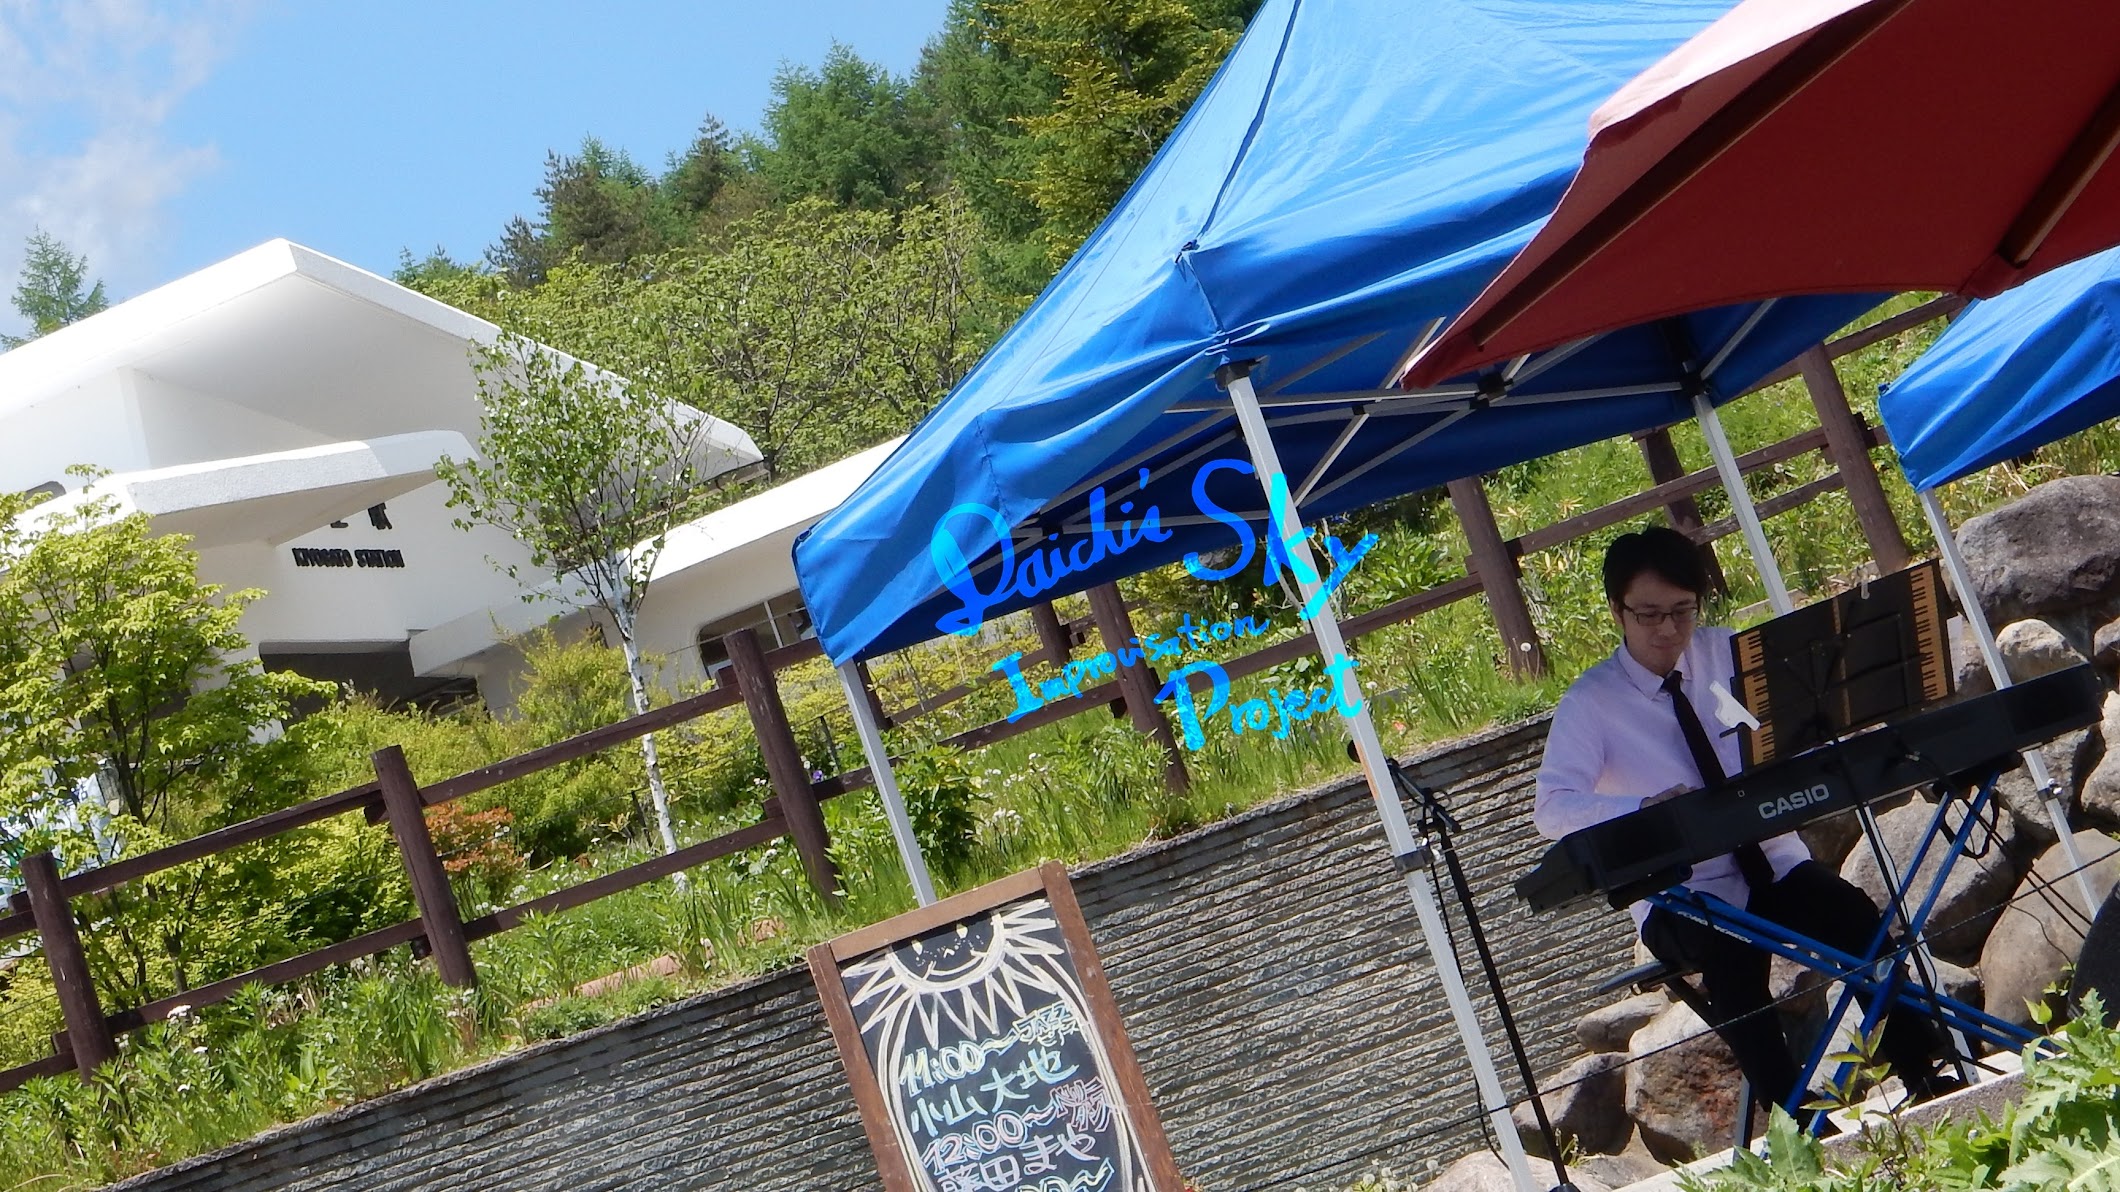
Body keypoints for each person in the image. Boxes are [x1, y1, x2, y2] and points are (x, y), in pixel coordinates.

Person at [1534, 526, 1960, 1123]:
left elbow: (1786, 727)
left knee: (1853, 916)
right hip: (1681, 892)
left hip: (1771, 860)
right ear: (1616, 612)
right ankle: (1795, 1118)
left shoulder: (1730, 654)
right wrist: (1644, 807)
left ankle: (1925, 1072)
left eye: (1682, 611)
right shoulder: (1592, 702)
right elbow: (1552, 807)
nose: (1668, 630)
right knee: (1730, 956)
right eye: (1649, 614)